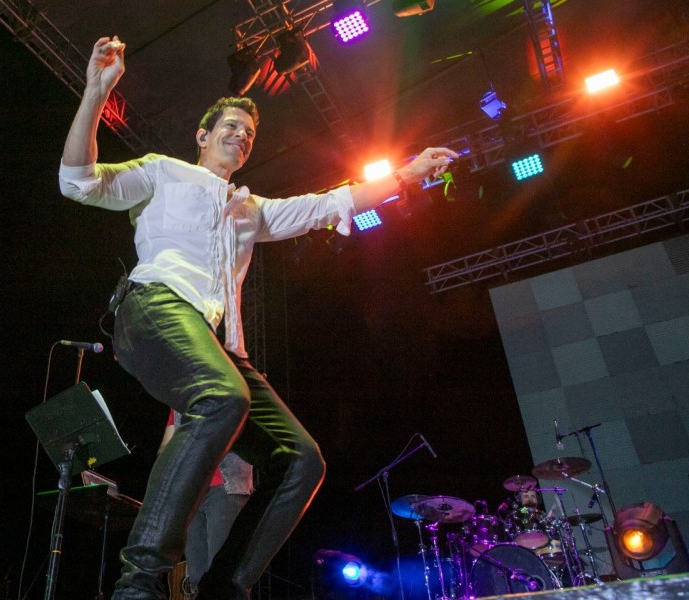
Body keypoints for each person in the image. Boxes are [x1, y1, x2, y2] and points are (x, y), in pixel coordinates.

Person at [58, 35, 457, 600]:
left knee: (301, 462)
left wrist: (406, 173)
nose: (241, 137)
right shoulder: (163, 172)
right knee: (225, 397)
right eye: (231, 127)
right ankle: (139, 583)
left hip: (219, 342)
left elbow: (327, 203)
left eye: (249, 134)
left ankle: (224, 590)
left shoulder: (252, 210)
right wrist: (96, 93)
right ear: (202, 136)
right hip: (154, 307)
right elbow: (78, 181)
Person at [160, 408, 253, 597]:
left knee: (226, 575)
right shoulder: (179, 402)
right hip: (191, 492)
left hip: (226, 487)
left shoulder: (236, 391)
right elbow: (166, 446)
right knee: (197, 577)